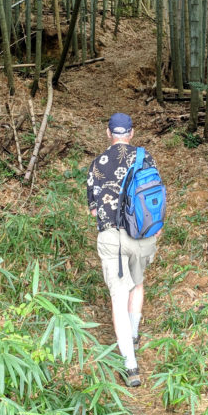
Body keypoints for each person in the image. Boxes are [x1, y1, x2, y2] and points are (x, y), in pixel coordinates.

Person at [87, 113, 160, 387]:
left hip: (111, 237)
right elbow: (154, 196)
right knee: (137, 284)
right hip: (141, 234)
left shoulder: (97, 164)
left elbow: (93, 209)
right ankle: (134, 333)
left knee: (118, 296)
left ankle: (130, 365)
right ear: (131, 133)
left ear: (108, 133)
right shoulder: (145, 158)